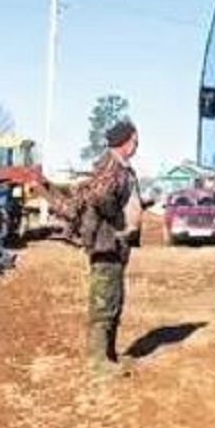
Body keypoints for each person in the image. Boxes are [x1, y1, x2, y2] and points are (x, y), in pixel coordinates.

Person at [75, 119, 143, 377]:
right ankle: (98, 361)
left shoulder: (120, 166)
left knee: (114, 298)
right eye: (135, 140)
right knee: (104, 300)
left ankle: (109, 355)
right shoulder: (112, 165)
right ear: (125, 142)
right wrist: (118, 220)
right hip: (106, 243)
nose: (137, 145)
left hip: (115, 244)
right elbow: (102, 195)